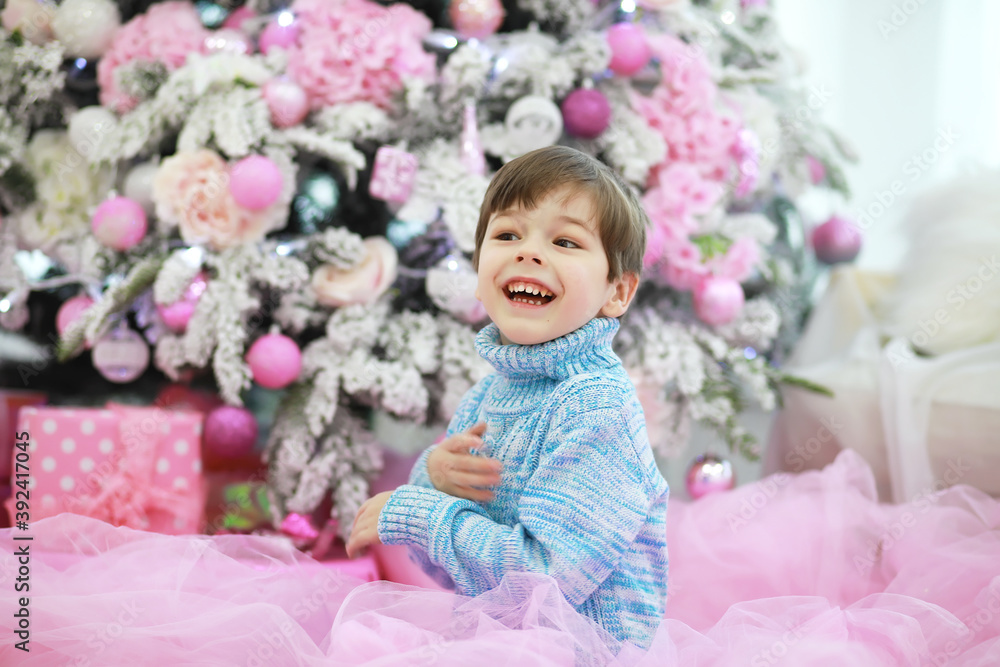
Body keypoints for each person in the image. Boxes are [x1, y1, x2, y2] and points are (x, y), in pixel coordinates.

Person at [347, 145, 670, 649]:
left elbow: (545, 583)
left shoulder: (596, 407)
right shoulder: (488, 396)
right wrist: (434, 479)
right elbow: (449, 570)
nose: (529, 252)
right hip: (494, 644)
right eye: (507, 235)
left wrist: (422, 514)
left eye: (565, 241)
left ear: (617, 292)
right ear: (478, 272)